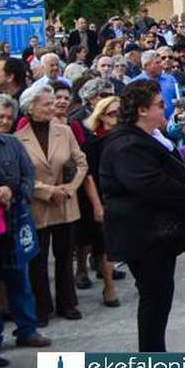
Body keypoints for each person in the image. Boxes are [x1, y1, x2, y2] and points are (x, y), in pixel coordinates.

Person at [100, 81, 185, 368]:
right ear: (142, 110)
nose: (165, 108)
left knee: (159, 296)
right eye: (159, 104)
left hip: (154, 234)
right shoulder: (126, 144)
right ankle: (153, 367)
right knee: (155, 298)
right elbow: (150, 184)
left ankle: (156, 359)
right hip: (142, 235)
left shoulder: (143, 138)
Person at [16, 83, 88, 325]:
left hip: (65, 203)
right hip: (38, 206)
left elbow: (81, 164)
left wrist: (68, 189)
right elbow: (19, 175)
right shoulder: (19, 139)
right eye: (46, 104)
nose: (52, 107)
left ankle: (68, 303)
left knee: (65, 256)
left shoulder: (64, 132)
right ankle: (42, 307)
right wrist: (48, 191)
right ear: (30, 108)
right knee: (38, 260)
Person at [0, 93, 52, 361]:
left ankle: (27, 329)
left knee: (19, 276)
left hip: (14, 221)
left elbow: (28, 175)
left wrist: (15, 192)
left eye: (9, 117)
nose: (6, 121)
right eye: (1, 117)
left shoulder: (12, 144)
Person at [81, 96, 122, 308]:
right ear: (101, 115)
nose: (116, 118)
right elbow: (88, 176)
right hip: (101, 195)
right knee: (104, 243)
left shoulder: (125, 137)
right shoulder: (93, 141)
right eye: (111, 113)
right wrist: (97, 205)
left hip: (124, 195)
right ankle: (109, 286)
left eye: (119, 113)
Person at [128, 50, 179, 119]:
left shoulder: (170, 79)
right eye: (157, 63)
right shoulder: (135, 83)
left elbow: (178, 99)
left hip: (171, 123)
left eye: (160, 62)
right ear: (146, 65)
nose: (161, 65)